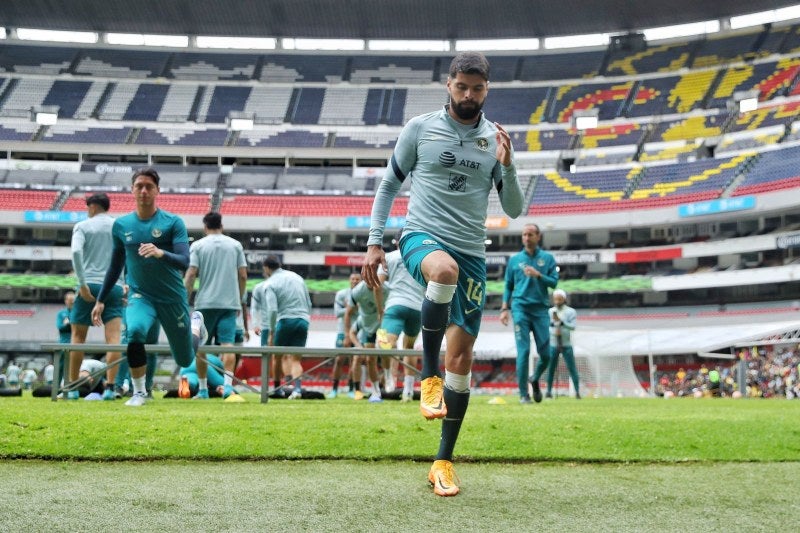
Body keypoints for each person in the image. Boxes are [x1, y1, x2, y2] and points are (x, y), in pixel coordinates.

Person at [362, 51, 523, 496]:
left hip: (473, 253)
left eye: (477, 88)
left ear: (486, 89)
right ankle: (426, 376)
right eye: (461, 86)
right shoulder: (419, 128)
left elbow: (513, 210)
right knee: (443, 271)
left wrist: (508, 166)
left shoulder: (496, 140)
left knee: (463, 360)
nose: (468, 95)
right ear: (448, 85)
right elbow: (389, 184)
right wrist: (376, 241)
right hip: (421, 236)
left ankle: (443, 462)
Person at [91, 167, 206, 407]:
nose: (143, 191)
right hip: (140, 295)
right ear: (132, 190)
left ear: (157, 191)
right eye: (139, 186)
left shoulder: (173, 222)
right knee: (135, 332)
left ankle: (196, 326)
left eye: (149, 187)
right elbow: (115, 265)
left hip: (172, 297)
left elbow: (185, 261)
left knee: (185, 359)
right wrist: (100, 299)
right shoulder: (121, 225)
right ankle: (139, 392)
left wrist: (160, 252)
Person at [184, 211, 247, 400]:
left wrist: (185, 298)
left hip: (205, 303)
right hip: (229, 303)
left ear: (205, 227)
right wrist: (239, 297)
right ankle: (227, 387)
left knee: (201, 346)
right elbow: (243, 275)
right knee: (228, 345)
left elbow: (191, 273)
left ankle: (203, 390)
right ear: (222, 225)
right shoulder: (235, 245)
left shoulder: (198, 245)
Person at [68, 192, 125, 401]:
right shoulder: (118, 226)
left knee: (77, 338)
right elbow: (125, 255)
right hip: (115, 285)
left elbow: (76, 252)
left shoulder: (82, 226)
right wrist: (124, 284)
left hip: (90, 285)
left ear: (92, 207)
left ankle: (73, 388)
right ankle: (110, 388)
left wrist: (82, 284)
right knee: (114, 340)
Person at [500, 223, 558, 404]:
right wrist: (504, 308)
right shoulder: (515, 260)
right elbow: (508, 285)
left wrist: (538, 275)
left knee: (547, 354)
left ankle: (534, 378)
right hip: (520, 309)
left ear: (538, 236)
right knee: (523, 352)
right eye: (524, 234)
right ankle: (523, 394)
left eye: (530, 234)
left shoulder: (548, 259)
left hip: (540, 310)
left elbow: (554, 283)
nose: (527, 237)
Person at [376, 239, 425, 402]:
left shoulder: (389, 257)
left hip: (395, 305)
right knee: (409, 348)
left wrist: (380, 309)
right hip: (417, 308)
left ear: (397, 242)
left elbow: (378, 285)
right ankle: (408, 390)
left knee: (383, 342)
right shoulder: (421, 258)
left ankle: (389, 376)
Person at [262, 255, 312, 399]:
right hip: (303, 319)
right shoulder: (297, 277)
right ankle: (297, 389)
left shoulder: (270, 283)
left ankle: (278, 389)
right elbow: (308, 303)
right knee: (296, 359)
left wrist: (271, 330)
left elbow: (272, 310)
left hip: (285, 320)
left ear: (266, 268)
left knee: (277, 357)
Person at [345, 279, 385, 403]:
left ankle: (383, 386)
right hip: (367, 336)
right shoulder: (362, 318)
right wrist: (358, 346)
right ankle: (359, 389)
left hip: (383, 332)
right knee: (362, 358)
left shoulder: (386, 291)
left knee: (388, 358)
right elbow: (352, 332)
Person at [328, 272, 361, 398]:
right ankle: (334, 389)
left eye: (357, 279)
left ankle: (351, 389)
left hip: (358, 332)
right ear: (349, 280)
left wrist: (352, 308)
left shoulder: (362, 294)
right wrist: (350, 309)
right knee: (339, 360)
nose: (355, 281)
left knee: (355, 361)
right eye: (353, 279)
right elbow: (337, 313)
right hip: (342, 332)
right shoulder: (342, 294)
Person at [545, 289, 579, 399]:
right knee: (551, 368)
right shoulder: (550, 312)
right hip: (553, 343)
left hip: (566, 344)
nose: (557, 301)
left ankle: (577, 392)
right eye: (556, 299)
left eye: (559, 299)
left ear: (564, 299)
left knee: (572, 368)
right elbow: (547, 327)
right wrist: (554, 326)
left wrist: (562, 322)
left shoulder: (571, 312)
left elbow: (573, 326)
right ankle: (548, 391)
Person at [55, 291, 75, 391]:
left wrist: (68, 324)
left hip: (75, 343)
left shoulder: (77, 312)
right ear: (66, 301)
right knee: (60, 366)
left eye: (73, 301)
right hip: (63, 343)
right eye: (70, 301)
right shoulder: (61, 313)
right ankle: (57, 388)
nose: (71, 303)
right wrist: (69, 325)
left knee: (73, 367)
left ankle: (71, 388)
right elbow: (60, 327)